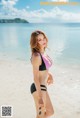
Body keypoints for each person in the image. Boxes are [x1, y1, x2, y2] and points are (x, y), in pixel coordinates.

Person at [30, 30, 54, 118]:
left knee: (48, 113)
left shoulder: (43, 52)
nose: (43, 41)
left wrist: (50, 75)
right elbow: (35, 78)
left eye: (43, 38)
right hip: (38, 88)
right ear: (35, 42)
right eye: (39, 40)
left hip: (43, 87)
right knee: (42, 115)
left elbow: (43, 68)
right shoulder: (36, 56)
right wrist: (40, 97)